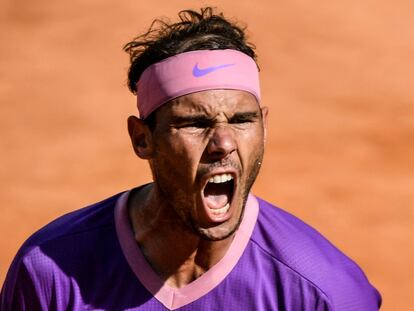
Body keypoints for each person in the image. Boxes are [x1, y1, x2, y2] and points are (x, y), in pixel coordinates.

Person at [1, 7, 381, 311]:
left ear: (264, 128)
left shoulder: (323, 293)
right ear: (142, 139)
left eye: (242, 120)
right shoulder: (51, 271)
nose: (223, 142)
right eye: (195, 123)